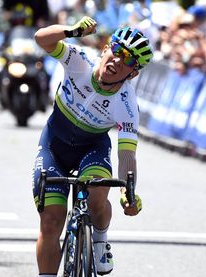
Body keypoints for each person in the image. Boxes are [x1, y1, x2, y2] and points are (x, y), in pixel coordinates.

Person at [32, 16, 152, 276]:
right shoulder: (80, 61)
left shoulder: (128, 105)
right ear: (107, 48)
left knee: (98, 193)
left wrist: (128, 192)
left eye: (129, 60)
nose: (119, 60)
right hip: (55, 145)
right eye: (118, 51)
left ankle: (99, 238)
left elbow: (127, 153)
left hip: (92, 148)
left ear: (134, 73)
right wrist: (70, 30)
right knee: (51, 221)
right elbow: (41, 38)